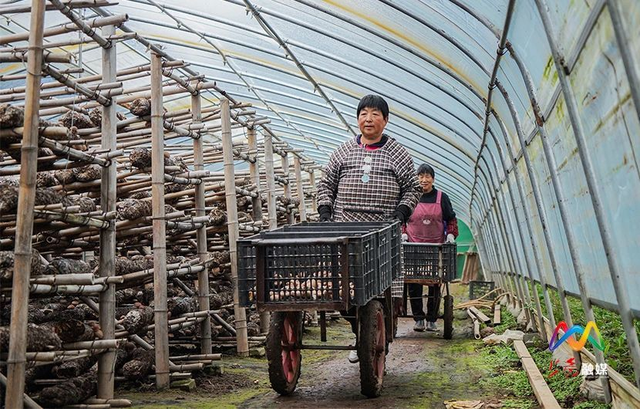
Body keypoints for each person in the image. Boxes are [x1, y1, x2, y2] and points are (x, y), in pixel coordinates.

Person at [317, 94, 421, 363]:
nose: (369, 118)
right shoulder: (342, 151)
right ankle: (359, 334)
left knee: (377, 289)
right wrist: (325, 211)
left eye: (375, 114)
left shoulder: (398, 153)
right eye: (363, 113)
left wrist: (401, 212)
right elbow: (326, 183)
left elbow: (412, 188)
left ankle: (374, 334)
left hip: (382, 233)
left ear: (385, 120)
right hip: (345, 231)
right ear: (357, 119)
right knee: (342, 290)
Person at [404, 163, 458, 332]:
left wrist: (450, 234)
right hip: (413, 247)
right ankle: (419, 318)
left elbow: (451, 219)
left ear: (433, 179)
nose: (424, 180)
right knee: (414, 284)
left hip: (436, 249)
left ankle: (432, 319)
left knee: (435, 283)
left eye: (427, 176)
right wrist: (403, 233)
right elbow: (401, 220)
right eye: (420, 176)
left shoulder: (442, 198)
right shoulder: (410, 198)